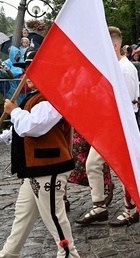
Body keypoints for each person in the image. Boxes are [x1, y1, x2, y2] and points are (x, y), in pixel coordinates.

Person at [0, 50, 80, 258]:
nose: (27, 74)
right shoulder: (35, 97)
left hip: (49, 166)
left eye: (32, 69)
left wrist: (14, 111)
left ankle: (68, 254)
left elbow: (32, 126)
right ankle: (9, 253)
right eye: (26, 69)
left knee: (54, 215)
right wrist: (5, 134)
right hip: (35, 167)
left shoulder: (53, 97)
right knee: (23, 214)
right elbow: (22, 128)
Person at [76, 26, 140, 227]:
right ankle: (99, 206)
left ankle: (132, 210)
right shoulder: (112, 67)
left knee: (124, 170)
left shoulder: (125, 69)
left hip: (120, 127)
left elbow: (127, 103)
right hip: (108, 126)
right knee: (92, 164)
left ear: (114, 45)